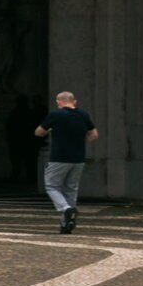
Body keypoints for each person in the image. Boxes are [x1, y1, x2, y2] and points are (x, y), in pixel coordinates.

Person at [36, 92, 96, 233]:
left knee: (52, 186)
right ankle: (66, 223)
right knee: (71, 190)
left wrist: (50, 130)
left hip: (59, 158)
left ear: (59, 102)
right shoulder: (84, 115)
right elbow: (94, 134)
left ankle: (66, 209)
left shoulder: (56, 115)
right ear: (74, 101)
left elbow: (38, 132)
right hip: (78, 159)